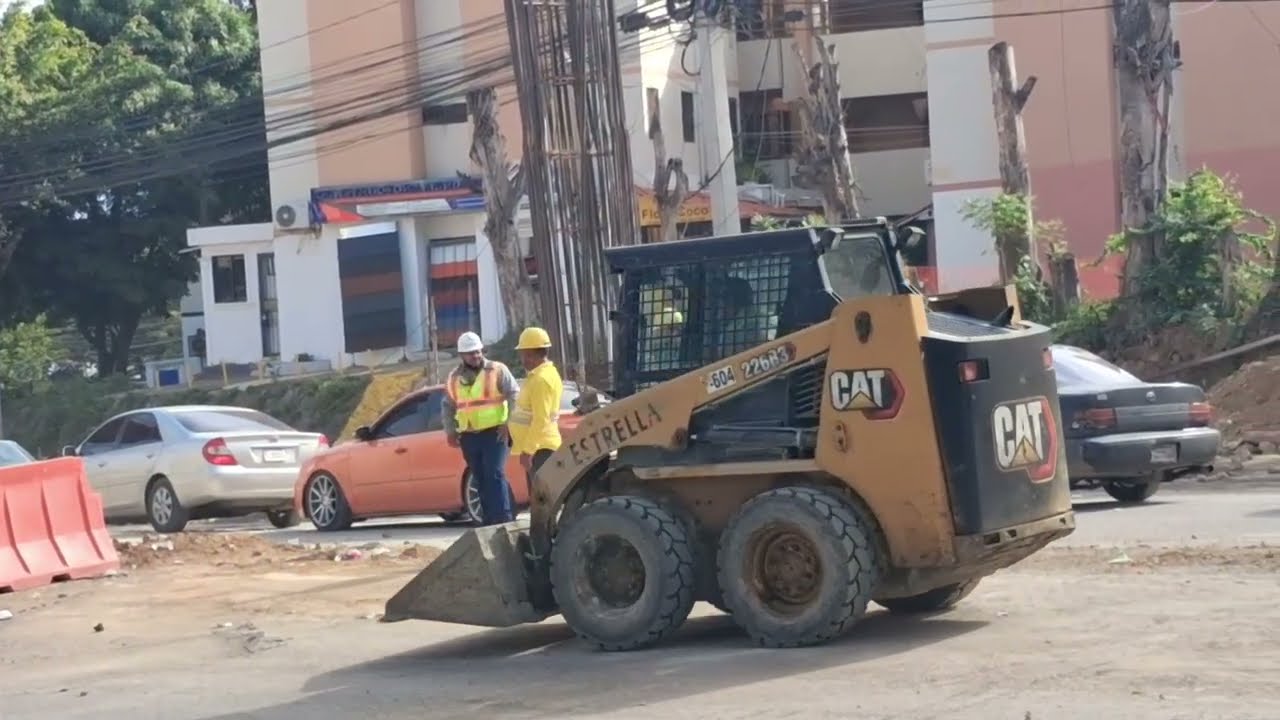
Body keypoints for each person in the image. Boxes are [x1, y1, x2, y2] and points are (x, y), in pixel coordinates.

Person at [441, 331, 520, 525]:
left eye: (477, 351)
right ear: (462, 355)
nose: (475, 356)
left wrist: (508, 423)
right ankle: (488, 521)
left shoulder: (497, 370)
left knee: (494, 473)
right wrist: (451, 431)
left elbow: (514, 395)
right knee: (480, 476)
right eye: (470, 353)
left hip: (496, 433)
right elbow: (448, 406)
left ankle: (504, 520)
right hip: (469, 436)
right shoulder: (453, 378)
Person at [507, 327, 564, 496]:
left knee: (542, 499)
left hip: (540, 450)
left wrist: (528, 450)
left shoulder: (541, 380)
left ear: (531, 353)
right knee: (541, 499)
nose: (522, 358)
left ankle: (548, 524)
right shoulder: (540, 375)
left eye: (523, 353)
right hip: (539, 448)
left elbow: (541, 419)